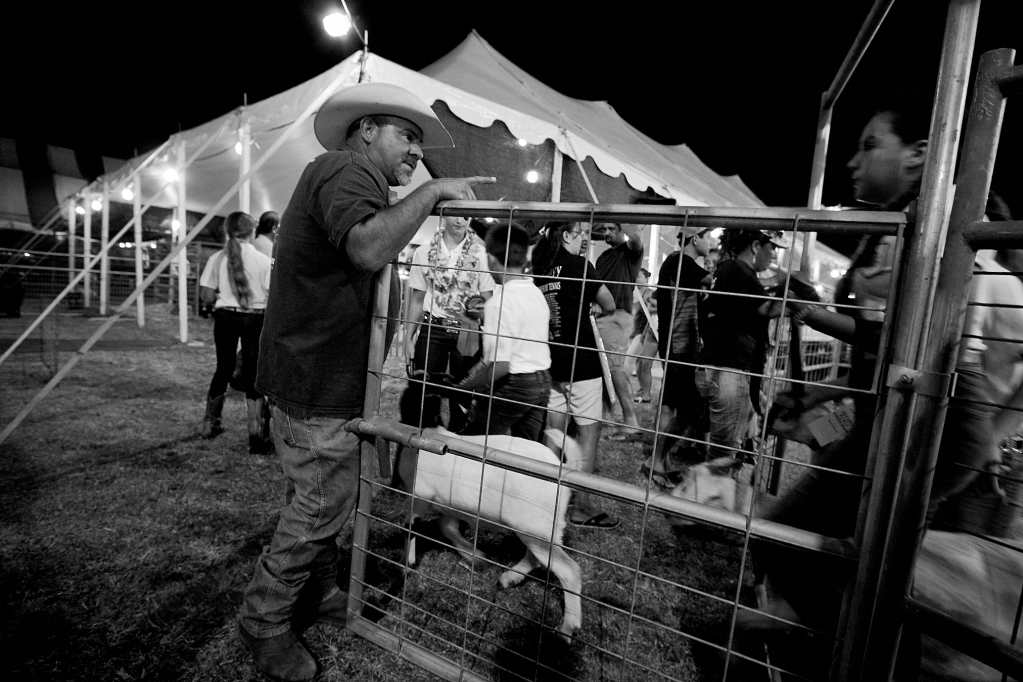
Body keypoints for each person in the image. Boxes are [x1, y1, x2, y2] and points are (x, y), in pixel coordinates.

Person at [237, 81, 493, 681]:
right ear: (367, 130)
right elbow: (366, 248)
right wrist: (432, 192)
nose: (416, 152)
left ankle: (320, 591)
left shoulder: (348, 177)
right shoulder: (346, 169)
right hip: (316, 379)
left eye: (419, 143)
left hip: (318, 375)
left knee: (326, 498)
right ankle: (264, 620)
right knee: (320, 504)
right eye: (407, 136)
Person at [532, 221, 620, 528]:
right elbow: (610, 303)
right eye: (580, 232)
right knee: (587, 436)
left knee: (553, 434)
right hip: (582, 365)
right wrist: (593, 306)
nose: (584, 237)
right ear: (567, 235)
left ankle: (543, 499)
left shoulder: (541, 268)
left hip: (553, 362)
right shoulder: (579, 266)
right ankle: (581, 507)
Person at [694, 228, 787, 461]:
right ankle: (704, 485)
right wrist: (793, 295)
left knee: (728, 451)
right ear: (756, 246)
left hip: (722, 368)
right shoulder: (739, 270)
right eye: (772, 248)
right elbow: (768, 309)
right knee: (722, 457)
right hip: (731, 371)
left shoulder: (729, 272)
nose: (774, 255)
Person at [457, 223, 551, 442]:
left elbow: (501, 365)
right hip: (542, 380)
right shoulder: (535, 293)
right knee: (525, 449)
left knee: (475, 441)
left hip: (517, 383)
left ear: (491, 259)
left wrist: (464, 387)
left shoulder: (498, 303)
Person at [403, 215, 494, 431]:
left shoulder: (481, 255)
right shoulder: (424, 252)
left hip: (468, 329)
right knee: (423, 391)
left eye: (466, 217)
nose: (460, 221)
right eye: (456, 214)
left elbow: (488, 300)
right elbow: (417, 299)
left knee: (463, 396)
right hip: (433, 327)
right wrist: (408, 337)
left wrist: (490, 344)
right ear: (445, 214)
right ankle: (422, 442)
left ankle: (457, 443)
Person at [641, 226, 715, 486]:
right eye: (708, 237)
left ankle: (660, 458)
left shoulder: (676, 263)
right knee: (692, 408)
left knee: (669, 404)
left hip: (675, 345)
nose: (711, 242)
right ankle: (656, 460)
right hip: (680, 347)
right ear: (695, 238)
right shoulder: (681, 262)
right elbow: (713, 281)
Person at [197, 211, 272, 453]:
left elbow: (206, 296)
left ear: (227, 232)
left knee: (224, 368)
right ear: (252, 231)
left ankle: (211, 424)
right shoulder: (264, 260)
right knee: (253, 373)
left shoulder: (217, 258)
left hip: (225, 318)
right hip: (255, 318)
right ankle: (257, 435)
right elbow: (272, 295)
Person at [593, 222, 645, 439]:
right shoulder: (603, 257)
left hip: (616, 316)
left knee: (615, 368)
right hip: (600, 317)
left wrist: (621, 213)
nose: (606, 232)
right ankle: (607, 418)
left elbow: (636, 237)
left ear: (621, 229)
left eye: (611, 228)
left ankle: (631, 421)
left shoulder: (629, 252)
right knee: (604, 368)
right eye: (604, 229)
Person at [625, 268, 659, 404]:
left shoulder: (648, 293)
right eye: (635, 276)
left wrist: (643, 333)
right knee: (640, 364)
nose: (636, 279)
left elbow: (650, 310)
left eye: (639, 276)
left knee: (629, 361)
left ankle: (624, 391)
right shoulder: (634, 292)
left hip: (642, 332)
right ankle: (642, 391)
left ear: (646, 278)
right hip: (634, 332)